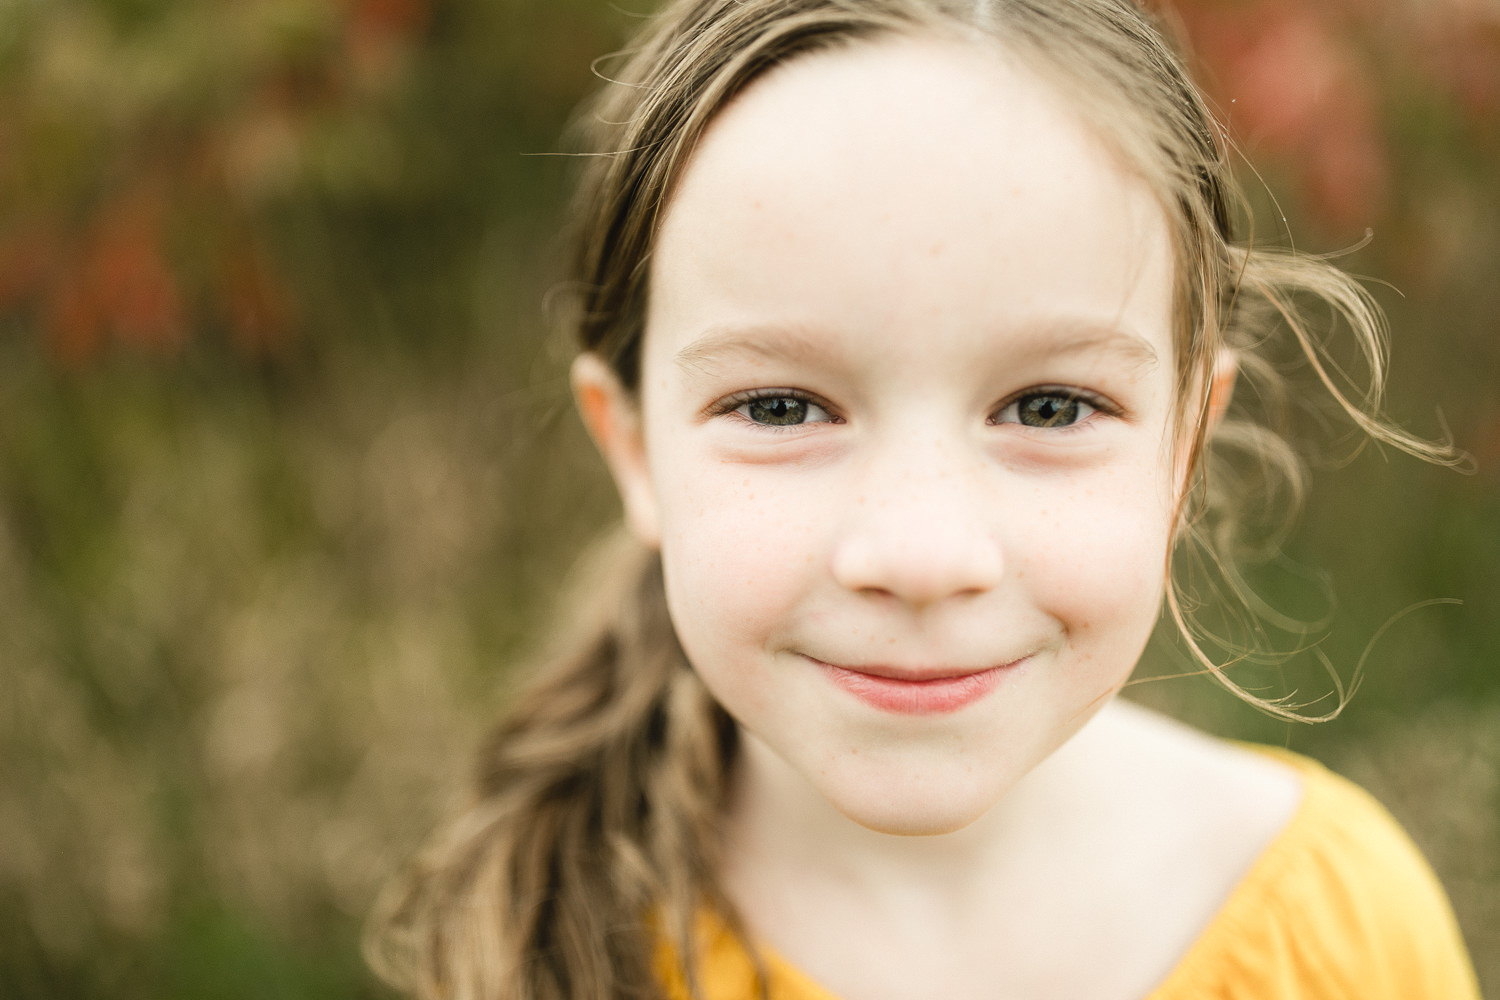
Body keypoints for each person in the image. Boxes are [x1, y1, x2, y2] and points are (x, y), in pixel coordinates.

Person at [367, 1, 1481, 997]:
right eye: (781, 408)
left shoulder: (1341, 938)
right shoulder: (543, 951)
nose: (920, 552)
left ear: (1183, 447)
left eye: (1049, 407)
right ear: (636, 453)